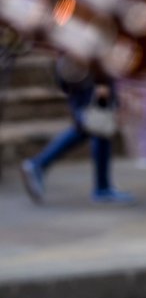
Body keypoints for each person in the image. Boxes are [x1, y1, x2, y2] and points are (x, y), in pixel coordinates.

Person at [20, 53, 136, 206]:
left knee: (92, 126)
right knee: (97, 125)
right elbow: (91, 44)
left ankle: (40, 165)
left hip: (80, 72)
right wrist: (102, 81)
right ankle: (40, 165)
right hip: (87, 74)